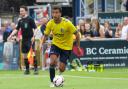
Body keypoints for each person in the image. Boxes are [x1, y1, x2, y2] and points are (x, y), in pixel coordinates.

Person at [40, 5, 81, 87]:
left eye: (57, 13)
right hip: (56, 45)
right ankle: (52, 81)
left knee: (61, 68)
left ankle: (59, 79)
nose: (55, 15)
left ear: (60, 14)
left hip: (67, 47)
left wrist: (78, 47)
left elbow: (77, 34)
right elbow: (45, 35)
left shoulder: (67, 23)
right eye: (53, 13)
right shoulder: (50, 23)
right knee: (52, 62)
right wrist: (41, 44)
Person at [8, 5, 38, 75]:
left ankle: (36, 69)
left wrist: (34, 36)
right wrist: (10, 35)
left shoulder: (30, 19)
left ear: (26, 11)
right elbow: (16, 29)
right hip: (24, 39)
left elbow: (35, 28)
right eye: (20, 11)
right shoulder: (20, 20)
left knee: (33, 54)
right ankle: (27, 69)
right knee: (24, 55)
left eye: (22, 11)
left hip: (30, 39)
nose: (21, 12)